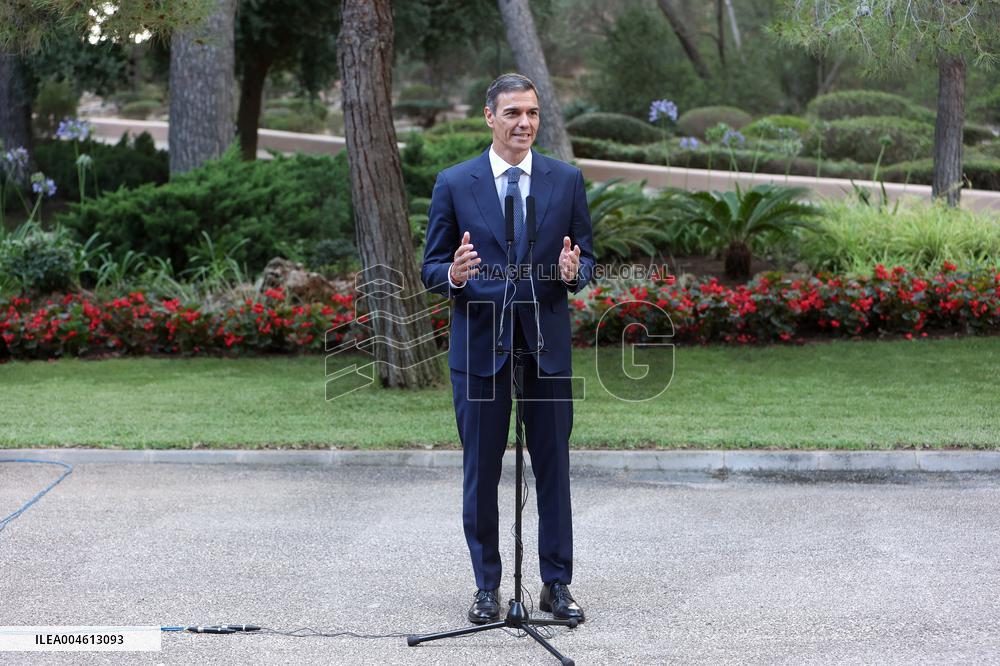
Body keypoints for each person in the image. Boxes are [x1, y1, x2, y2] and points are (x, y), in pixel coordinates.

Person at [420, 73, 595, 625]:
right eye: (514, 113)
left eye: (533, 114)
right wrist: (452, 272)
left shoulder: (565, 180)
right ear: (489, 117)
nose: (525, 123)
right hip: (479, 350)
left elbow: (586, 258)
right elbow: (430, 266)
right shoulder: (454, 182)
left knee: (554, 469)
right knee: (480, 472)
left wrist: (574, 271)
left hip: (545, 350)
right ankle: (486, 587)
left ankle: (556, 584)